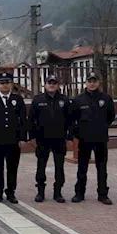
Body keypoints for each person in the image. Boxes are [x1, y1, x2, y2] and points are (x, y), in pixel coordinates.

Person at [70, 72, 116, 205]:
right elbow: (73, 118)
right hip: (84, 139)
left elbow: (111, 117)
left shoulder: (106, 98)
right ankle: (79, 193)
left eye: (94, 81)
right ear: (86, 83)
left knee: (102, 168)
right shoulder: (78, 100)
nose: (92, 84)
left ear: (98, 83)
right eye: (89, 81)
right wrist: (77, 133)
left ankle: (103, 195)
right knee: (82, 167)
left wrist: (101, 127)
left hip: (100, 138)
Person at [0, 72, 28, 204]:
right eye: (2, 83)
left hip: (13, 140)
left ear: (11, 84)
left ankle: (11, 192)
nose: (4, 85)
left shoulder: (17, 99)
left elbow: (23, 120)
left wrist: (23, 138)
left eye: (7, 83)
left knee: (12, 167)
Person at [29, 74, 72, 203]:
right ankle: (40, 192)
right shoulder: (38, 100)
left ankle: (58, 192)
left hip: (59, 139)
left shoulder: (64, 100)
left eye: (54, 83)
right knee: (41, 166)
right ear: (45, 85)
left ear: (58, 85)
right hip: (42, 139)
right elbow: (31, 120)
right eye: (49, 83)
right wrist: (32, 137)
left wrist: (70, 137)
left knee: (59, 167)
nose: (52, 85)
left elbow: (70, 121)